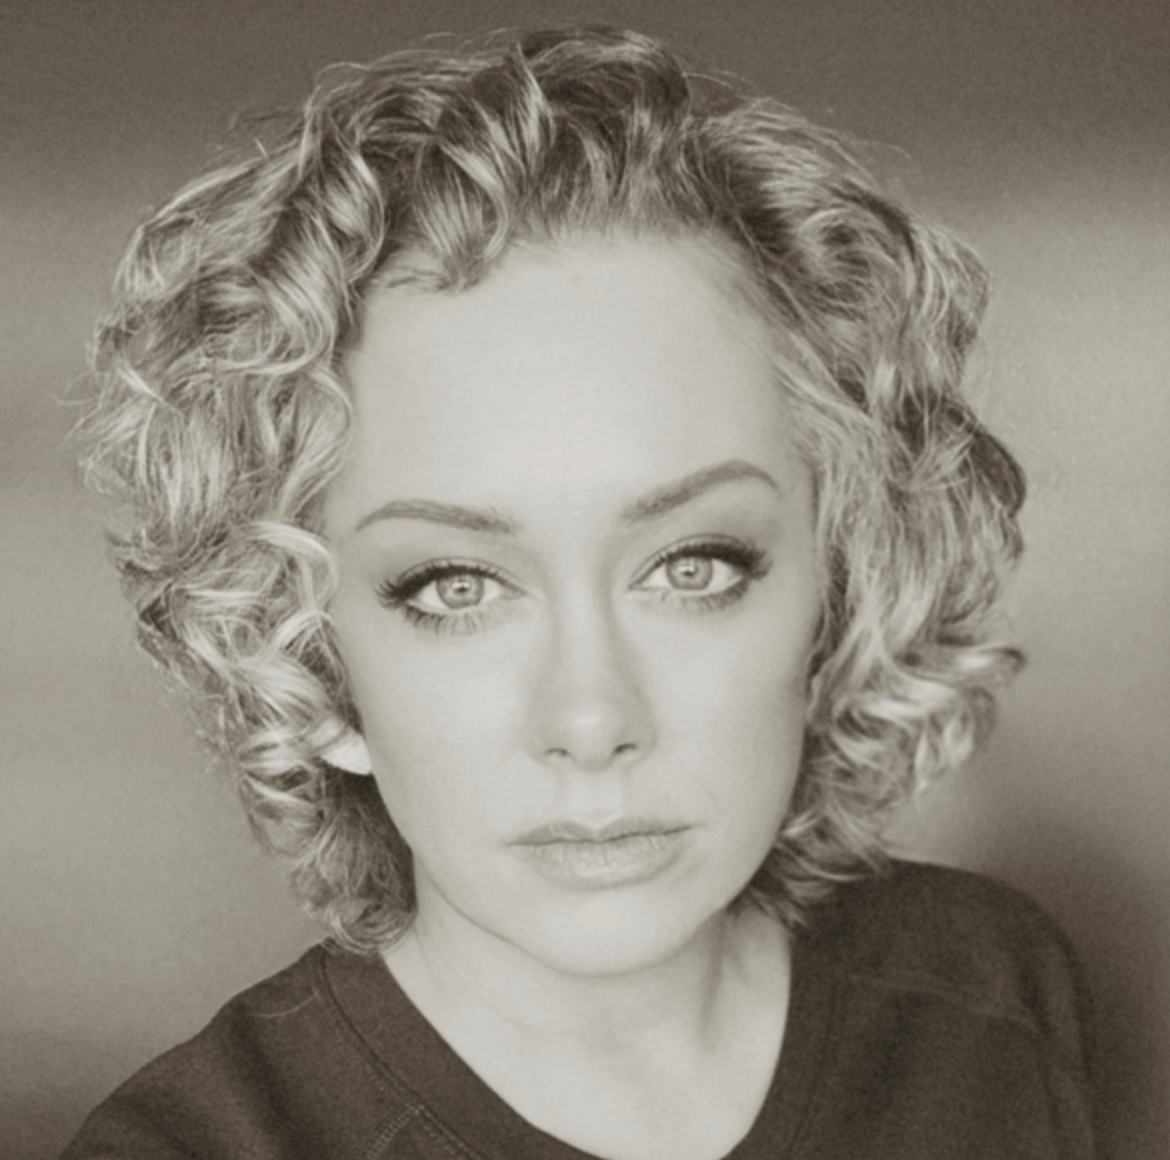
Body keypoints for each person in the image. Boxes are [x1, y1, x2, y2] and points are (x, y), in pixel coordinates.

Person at [63, 25, 1095, 1160]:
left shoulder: (990, 996)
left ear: (839, 580)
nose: (593, 719)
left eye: (693, 565)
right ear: (307, 654)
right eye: (455, 585)